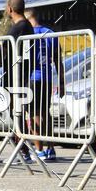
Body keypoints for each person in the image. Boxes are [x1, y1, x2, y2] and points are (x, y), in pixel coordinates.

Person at [0, 0, 34, 162]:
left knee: (16, 113)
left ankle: (23, 150)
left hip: (16, 76)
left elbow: (5, 48)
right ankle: (23, 149)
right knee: (18, 112)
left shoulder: (17, 28)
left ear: (9, 9)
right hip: (21, 74)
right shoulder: (27, 25)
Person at [25, 8, 65, 161]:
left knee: (34, 114)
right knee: (45, 113)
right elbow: (58, 60)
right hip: (47, 78)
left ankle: (39, 149)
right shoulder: (50, 33)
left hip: (33, 78)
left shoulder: (27, 34)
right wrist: (61, 83)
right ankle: (51, 148)